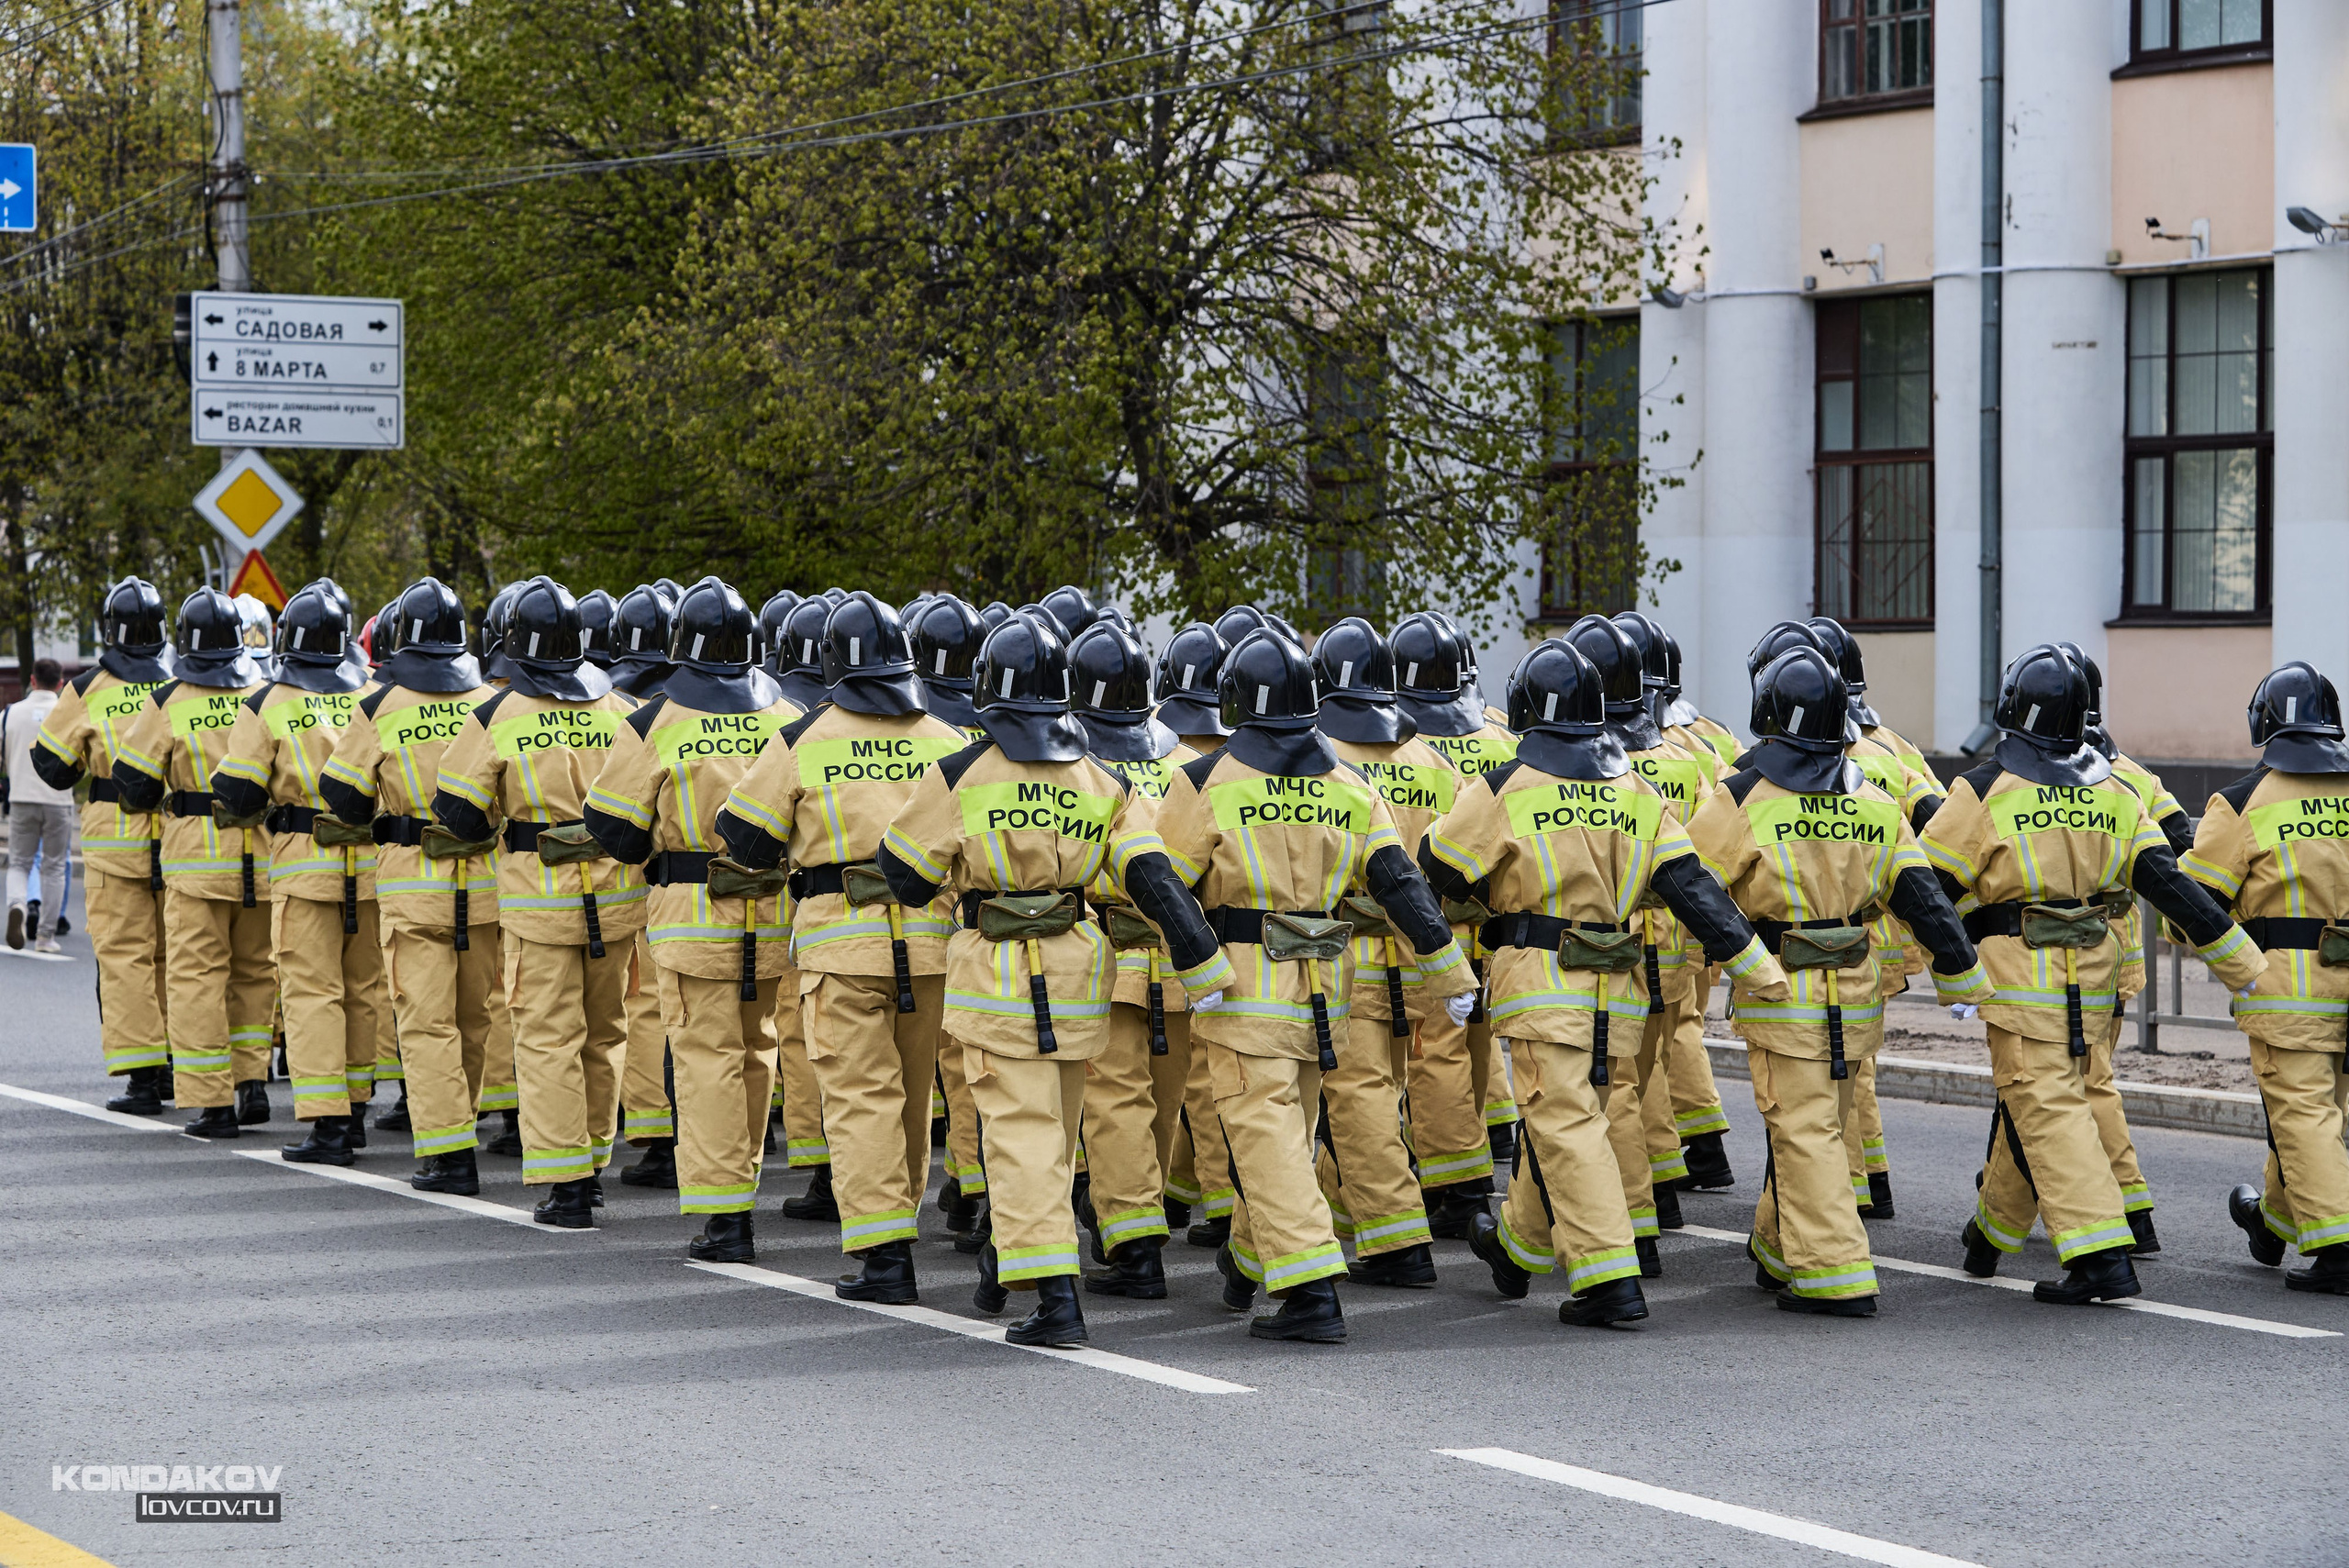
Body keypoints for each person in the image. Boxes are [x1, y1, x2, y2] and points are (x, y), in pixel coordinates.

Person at [1423, 639, 1788, 1326]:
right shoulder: (1638, 791)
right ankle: (1516, 1244)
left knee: (1564, 1119)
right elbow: (1693, 889)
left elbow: (1440, 867)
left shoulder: (1506, 786)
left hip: (1541, 983)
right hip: (1616, 991)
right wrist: (1755, 966)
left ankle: (1608, 1275)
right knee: (1569, 1114)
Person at [1156, 628, 1475, 1342]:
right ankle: (1247, 1258)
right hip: (1326, 996)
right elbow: (1400, 884)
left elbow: (1163, 880)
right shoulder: (1351, 785)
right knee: (1284, 1139)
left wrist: (1197, 965)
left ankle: (1308, 1288)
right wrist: (1450, 970)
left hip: (1243, 993)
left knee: (1265, 1136)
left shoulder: (1207, 780)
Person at [1926, 644, 2263, 1304]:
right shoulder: (2113, 790)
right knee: (2041, 1105)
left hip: (2020, 989)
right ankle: (1989, 1235)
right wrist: (2240, 961)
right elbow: (2169, 884)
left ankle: (2101, 1255)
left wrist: (1954, 967)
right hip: (2099, 986)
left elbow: (1927, 884)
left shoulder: (1984, 788)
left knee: (2048, 1109)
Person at [876, 610, 1156, 1344]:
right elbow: (1150, 877)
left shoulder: (961, 771)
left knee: (1023, 1133)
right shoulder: (1102, 774)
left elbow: (903, 876)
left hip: (998, 975)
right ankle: (1008, 1250)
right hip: (1079, 969)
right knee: (1057, 1135)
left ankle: (1057, 1299)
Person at [1686, 647, 1988, 1316]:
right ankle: (1775, 1247)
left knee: (1804, 1130)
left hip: (1782, 989)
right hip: (1856, 996)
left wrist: (1710, 961)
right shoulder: (1875, 801)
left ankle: (1836, 1274)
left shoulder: (1740, 798)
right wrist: (1963, 978)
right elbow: (1923, 899)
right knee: (1822, 1122)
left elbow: (1687, 883)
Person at [717, 592, 966, 1302]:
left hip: (840, 948)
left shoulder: (804, 738)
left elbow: (744, 836)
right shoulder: (949, 742)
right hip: (931, 947)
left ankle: (884, 1256)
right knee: (915, 1100)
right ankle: (900, 1231)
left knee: (861, 1101)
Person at [585, 578, 799, 1260]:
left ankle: (726, 1215)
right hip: (773, 910)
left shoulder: (655, 720)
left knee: (707, 1061)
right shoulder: (789, 716)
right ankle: (744, 1188)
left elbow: (612, 826)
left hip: (692, 911)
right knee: (757, 1047)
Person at [431, 577, 648, 1228]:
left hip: (540, 901)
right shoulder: (624, 709)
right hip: (615, 897)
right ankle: (595, 1163)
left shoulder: (497, 716)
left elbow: (458, 812)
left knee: (550, 1038)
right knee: (606, 1032)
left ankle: (567, 1182)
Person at [320, 578, 503, 1193]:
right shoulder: (492, 701)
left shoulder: (378, 704)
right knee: (474, 1018)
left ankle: (450, 1153)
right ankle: (462, 1129)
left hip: (414, 883)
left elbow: (343, 796)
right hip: (485, 883)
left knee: (427, 1022)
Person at [2184, 663, 2349, 1295]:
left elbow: (2195, 901)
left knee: (2303, 1112)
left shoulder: (2245, 800)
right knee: (2325, 1110)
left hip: (2286, 987)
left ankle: (2337, 1248)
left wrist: (2218, 949)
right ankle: (2272, 1219)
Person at [1308, 617, 1463, 1286]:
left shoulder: (1319, 756)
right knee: (1389, 1091)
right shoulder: (1432, 760)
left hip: (1353, 956)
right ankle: (1349, 1213)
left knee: (1359, 1096)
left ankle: (1398, 1243)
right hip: (1422, 953)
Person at [1562, 613, 1719, 1272]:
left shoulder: (1576, 772)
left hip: (1611, 946)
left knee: (1616, 1085)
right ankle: (1667, 1180)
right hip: (1674, 944)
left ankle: (1637, 1221)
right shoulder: (1691, 758)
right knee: (1652, 1061)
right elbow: (1708, 863)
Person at [213, 584, 386, 1164]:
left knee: (314, 994)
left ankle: (328, 1126)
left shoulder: (268, 701)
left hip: (306, 866)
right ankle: (358, 1111)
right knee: (364, 990)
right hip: (373, 867)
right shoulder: (371, 695)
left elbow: (237, 793)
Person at [1062, 619, 1198, 1296]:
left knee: (1116, 1104)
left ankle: (1135, 1244)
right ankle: (1138, 1213)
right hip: (1177, 960)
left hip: (1111, 959)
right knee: (1164, 1105)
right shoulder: (1181, 769)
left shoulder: (1082, 769)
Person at [110, 588, 276, 1136]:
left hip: (196, 864)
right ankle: (253, 1082)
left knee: (198, 978)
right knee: (254, 973)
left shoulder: (168, 699)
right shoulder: (264, 692)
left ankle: (215, 1102)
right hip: (264, 860)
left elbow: (132, 782)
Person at [2062, 639, 2189, 1253]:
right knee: (2075, 1076)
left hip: (2064, 955)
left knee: (2085, 1078)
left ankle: (2130, 1206)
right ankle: (2024, 1183)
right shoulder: (2132, 772)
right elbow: (2182, 845)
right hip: (2117, 948)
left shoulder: (2048, 772)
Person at [1391, 611, 1518, 1229]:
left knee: (1432, 1054)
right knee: (1472, 1048)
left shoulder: (1395, 744)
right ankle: (1467, 1162)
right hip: (1489, 925)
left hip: (1426, 928)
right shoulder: (1500, 738)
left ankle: (1460, 1183)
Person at [30, 581, 174, 1108]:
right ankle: (178, 1069)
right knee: (172, 957)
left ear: (109, 631)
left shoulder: (89, 688)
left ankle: (143, 1077)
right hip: (180, 840)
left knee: (125, 957)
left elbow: (50, 765)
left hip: (116, 843)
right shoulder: (184, 685)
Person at [5, 657, 74, 954]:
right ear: (60, 683)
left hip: (21, 797)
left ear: (32, 680)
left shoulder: (9, 713)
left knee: (19, 862)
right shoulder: (68, 714)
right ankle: (46, 936)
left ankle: (18, 902)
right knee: (54, 866)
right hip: (59, 799)